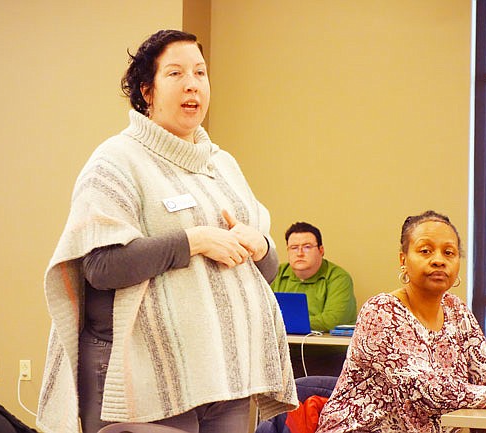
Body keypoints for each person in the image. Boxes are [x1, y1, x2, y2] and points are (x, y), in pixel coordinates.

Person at [36, 30, 297, 433]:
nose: (192, 83)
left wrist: (260, 246)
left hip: (225, 373)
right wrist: (193, 241)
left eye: (200, 72)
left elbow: (264, 271)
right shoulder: (116, 161)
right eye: (175, 73)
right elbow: (101, 266)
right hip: (142, 371)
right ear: (147, 91)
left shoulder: (223, 165)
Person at [316, 210, 486, 433]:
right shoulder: (381, 311)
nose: (438, 260)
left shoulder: (456, 310)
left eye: (449, 252)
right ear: (403, 259)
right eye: (425, 250)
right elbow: (427, 391)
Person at [271, 222, 357, 332]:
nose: (300, 253)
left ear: (321, 250)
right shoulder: (275, 273)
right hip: (281, 344)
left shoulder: (339, 278)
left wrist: (283, 323)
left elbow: (332, 321)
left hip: (325, 346)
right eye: (294, 248)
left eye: (307, 247)